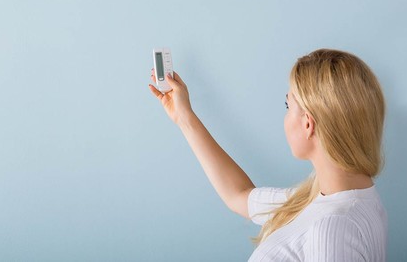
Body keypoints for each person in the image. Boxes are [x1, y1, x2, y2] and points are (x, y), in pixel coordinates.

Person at [149, 49, 387, 261]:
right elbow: (239, 196)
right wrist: (184, 117)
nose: (285, 116)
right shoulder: (330, 196)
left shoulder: (332, 227)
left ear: (307, 125)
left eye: (288, 106)